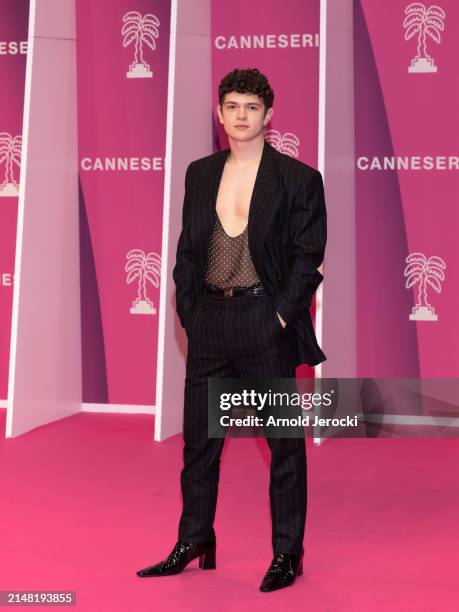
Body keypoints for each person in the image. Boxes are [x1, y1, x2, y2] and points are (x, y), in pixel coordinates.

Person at [136, 68, 327, 592]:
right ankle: (195, 537)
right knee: (199, 443)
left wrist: (281, 316)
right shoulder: (200, 173)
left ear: (269, 114)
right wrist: (191, 311)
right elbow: (186, 253)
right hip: (209, 323)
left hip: (265, 320)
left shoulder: (297, 179)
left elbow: (308, 258)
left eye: (252, 107)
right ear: (219, 114)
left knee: (283, 444)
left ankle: (288, 553)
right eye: (233, 106)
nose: (241, 116)